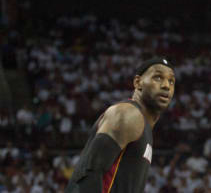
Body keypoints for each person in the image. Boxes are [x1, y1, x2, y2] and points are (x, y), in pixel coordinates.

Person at [65, 58, 175, 193]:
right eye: (158, 78)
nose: (166, 85)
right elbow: (89, 171)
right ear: (137, 82)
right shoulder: (128, 114)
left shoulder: (143, 125)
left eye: (171, 81)